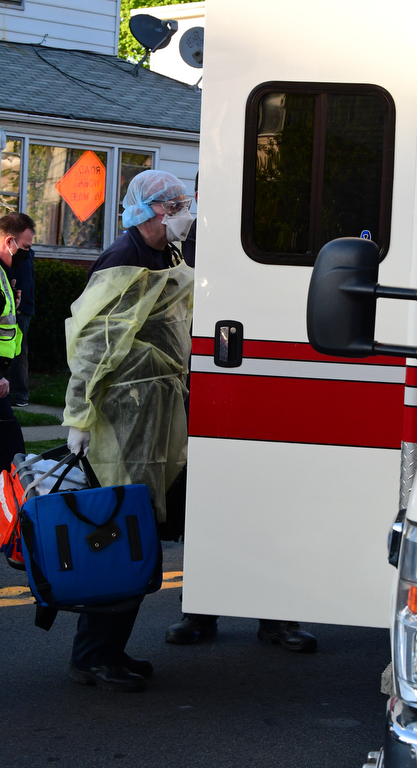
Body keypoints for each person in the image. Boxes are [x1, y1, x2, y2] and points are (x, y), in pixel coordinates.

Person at [165, 175, 318, 653]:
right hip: (206, 380)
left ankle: (277, 617)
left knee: (273, 502)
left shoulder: (281, 231)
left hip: (270, 377)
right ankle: (200, 609)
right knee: (205, 501)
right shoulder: (186, 238)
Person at [63, 170, 194, 692]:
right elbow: (94, 345)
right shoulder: (123, 259)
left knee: (136, 532)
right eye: (179, 204)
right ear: (156, 210)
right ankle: (93, 655)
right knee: (120, 534)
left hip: (155, 412)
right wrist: (77, 417)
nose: (186, 212)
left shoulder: (166, 257)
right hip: (121, 417)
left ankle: (108, 650)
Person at [0, 213, 34, 471]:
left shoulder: (3, 274)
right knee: (12, 448)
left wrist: (13, 301)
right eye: (24, 248)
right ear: (9, 241)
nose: (27, 255)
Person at [9, 244, 35, 407]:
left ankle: (20, 394)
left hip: (20, 310)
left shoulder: (21, 255)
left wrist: (18, 307)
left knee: (18, 351)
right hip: (19, 308)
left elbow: (25, 283)